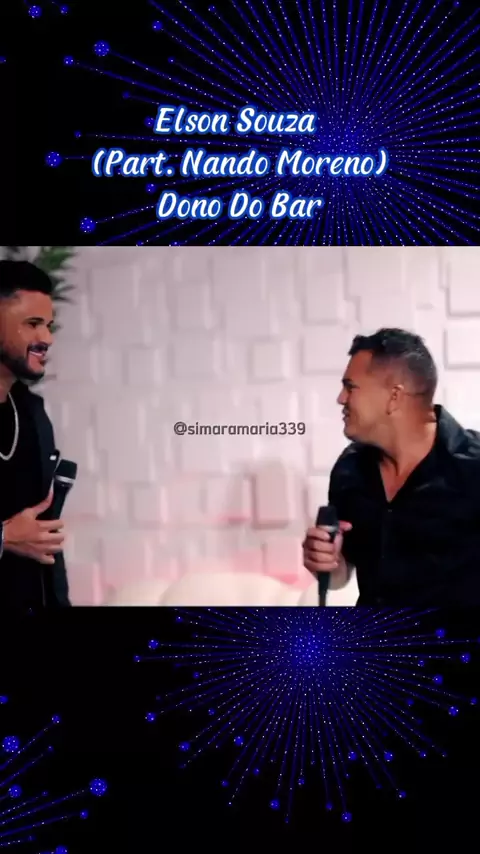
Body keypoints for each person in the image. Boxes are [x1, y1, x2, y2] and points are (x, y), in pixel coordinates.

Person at [303, 327, 480, 606]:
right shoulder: (350, 469)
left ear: (394, 396)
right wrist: (329, 563)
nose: (341, 398)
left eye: (350, 387)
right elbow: (342, 574)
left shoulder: (473, 467)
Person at [0, 259, 70, 609]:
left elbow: (45, 538)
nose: (47, 339)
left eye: (48, 325)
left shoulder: (33, 415)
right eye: (32, 324)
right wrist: (3, 537)